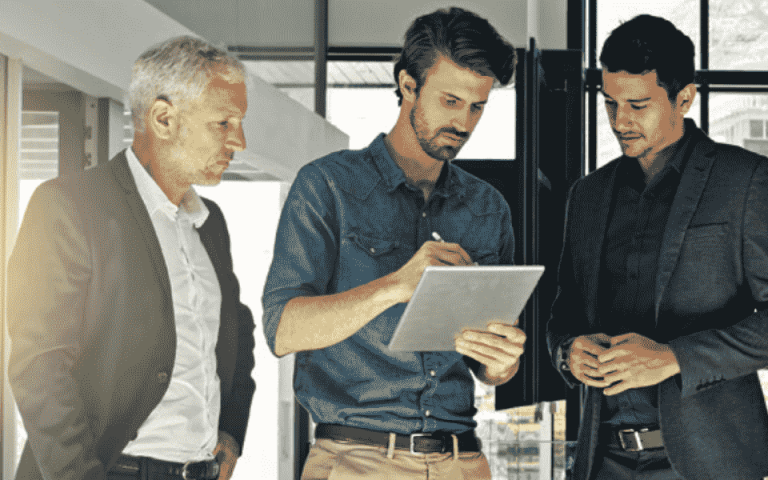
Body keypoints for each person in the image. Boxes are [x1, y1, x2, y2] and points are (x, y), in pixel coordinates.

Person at [262, 7, 522, 480]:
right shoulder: (326, 187)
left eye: (477, 106)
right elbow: (283, 330)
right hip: (356, 459)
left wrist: (500, 365)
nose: (464, 122)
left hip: (463, 461)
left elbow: (485, 364)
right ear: (407, 85)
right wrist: (396, 285)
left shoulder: (487, 208)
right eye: (450, 101)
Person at [7, 36, 256, 480]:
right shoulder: (68, 205)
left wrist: (232, 432)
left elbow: (238, 331)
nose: (238, 140)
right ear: (163, 118)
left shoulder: (209, 222)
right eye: (223, 122)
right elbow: (39, 367)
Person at [547, 14, 768, 480]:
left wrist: (673, 358)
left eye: (638, 104)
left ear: (684, 98)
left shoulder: (746, 181)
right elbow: (563, 313)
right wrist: (568, 350)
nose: (619, 121)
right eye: (609, 104)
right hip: (600, 458)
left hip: (707, 461)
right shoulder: (586, 196)